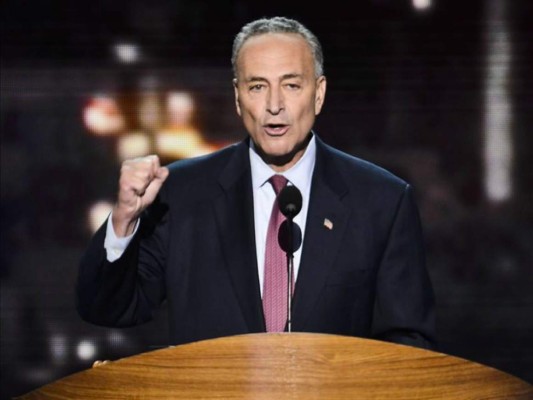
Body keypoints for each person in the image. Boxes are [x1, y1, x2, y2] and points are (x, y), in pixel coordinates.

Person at [77, 16, 436, 350]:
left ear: (319, 93)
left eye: (291, 85)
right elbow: (108, 309)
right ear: (237, 97)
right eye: (257, 87)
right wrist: (124, 220)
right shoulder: (181, 193)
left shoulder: (381, 201)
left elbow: (408, 345)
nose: (274, 105)